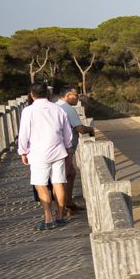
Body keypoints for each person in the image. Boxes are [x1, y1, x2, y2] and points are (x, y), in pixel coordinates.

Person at [17, 83, 74, 231]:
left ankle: (48, 218)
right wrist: (68, 148)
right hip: (58, 150)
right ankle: (60, 216)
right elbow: (67, 131)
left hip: (38, 153)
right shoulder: (58, 109)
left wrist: (22, 152)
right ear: (47, 94)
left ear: (31, 94)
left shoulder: (28, 111)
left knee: (41, 185)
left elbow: (24, 134)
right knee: (58, 183)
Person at [57, 87, 95, 217]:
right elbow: (80, 129)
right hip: (66, 148)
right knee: (64, 175)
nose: (77, 98)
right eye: (75, 96)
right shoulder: (68, 109)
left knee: (71, 173)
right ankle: (63, 208)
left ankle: (69, 202)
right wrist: (91, 129)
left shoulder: (56, 106)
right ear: (68, 95)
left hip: (59, 146)